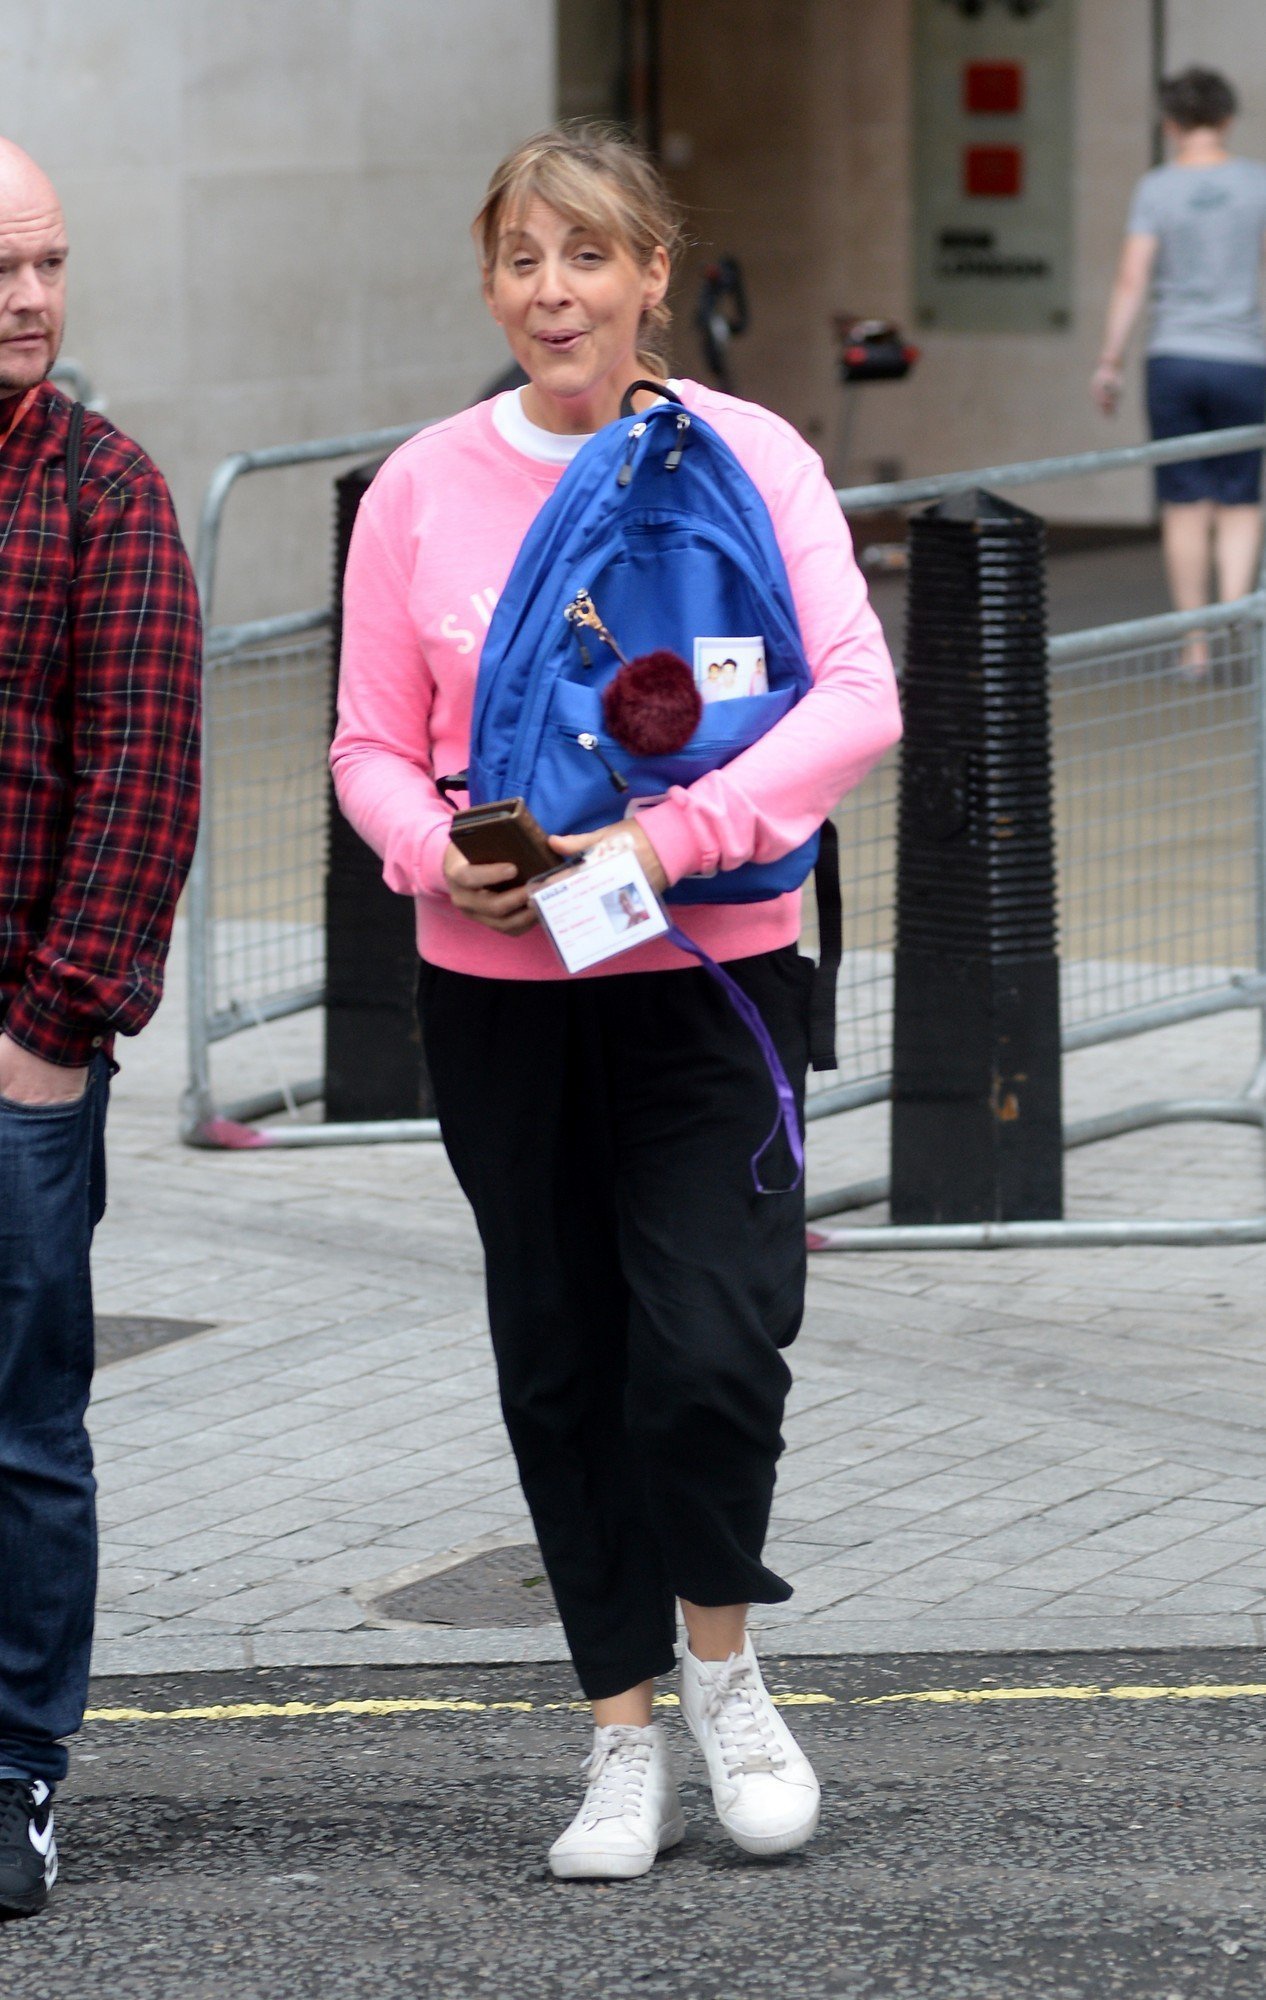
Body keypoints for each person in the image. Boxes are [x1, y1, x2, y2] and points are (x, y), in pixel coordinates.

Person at [332, 124, 900, 1880]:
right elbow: (363, 745)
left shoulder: (751, 458)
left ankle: (727, 1674)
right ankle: (618, 1731)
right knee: (564, 1358)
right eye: (522, 258)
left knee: (714, 1352)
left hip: (711, 984)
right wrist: (438, 853)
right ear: (492, 278)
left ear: (657, 273)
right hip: (501, 996)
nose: (551, 292)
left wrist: (670, 839)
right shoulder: (422, 483)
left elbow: (857, 699)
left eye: (588, 257)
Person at [0, 140, 201, 1917]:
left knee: (17, 1425)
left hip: (12, 1057)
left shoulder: (103, 490)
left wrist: (50, 1030)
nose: (33, 300)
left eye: (51, 264)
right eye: (3, 267)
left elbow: (140, 781)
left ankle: (14, 1773)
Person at [1094, 67, 1266, 675]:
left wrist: (1110, 360)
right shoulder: (1256, 184)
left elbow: (1131, 279)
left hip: (1174, 358)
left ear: (1170, 124)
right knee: (1241, 501)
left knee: (1184, 504)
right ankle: (1236, 617)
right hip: (1244, 359)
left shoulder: (1157, 189)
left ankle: (1193, 645)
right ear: (1227, 119)